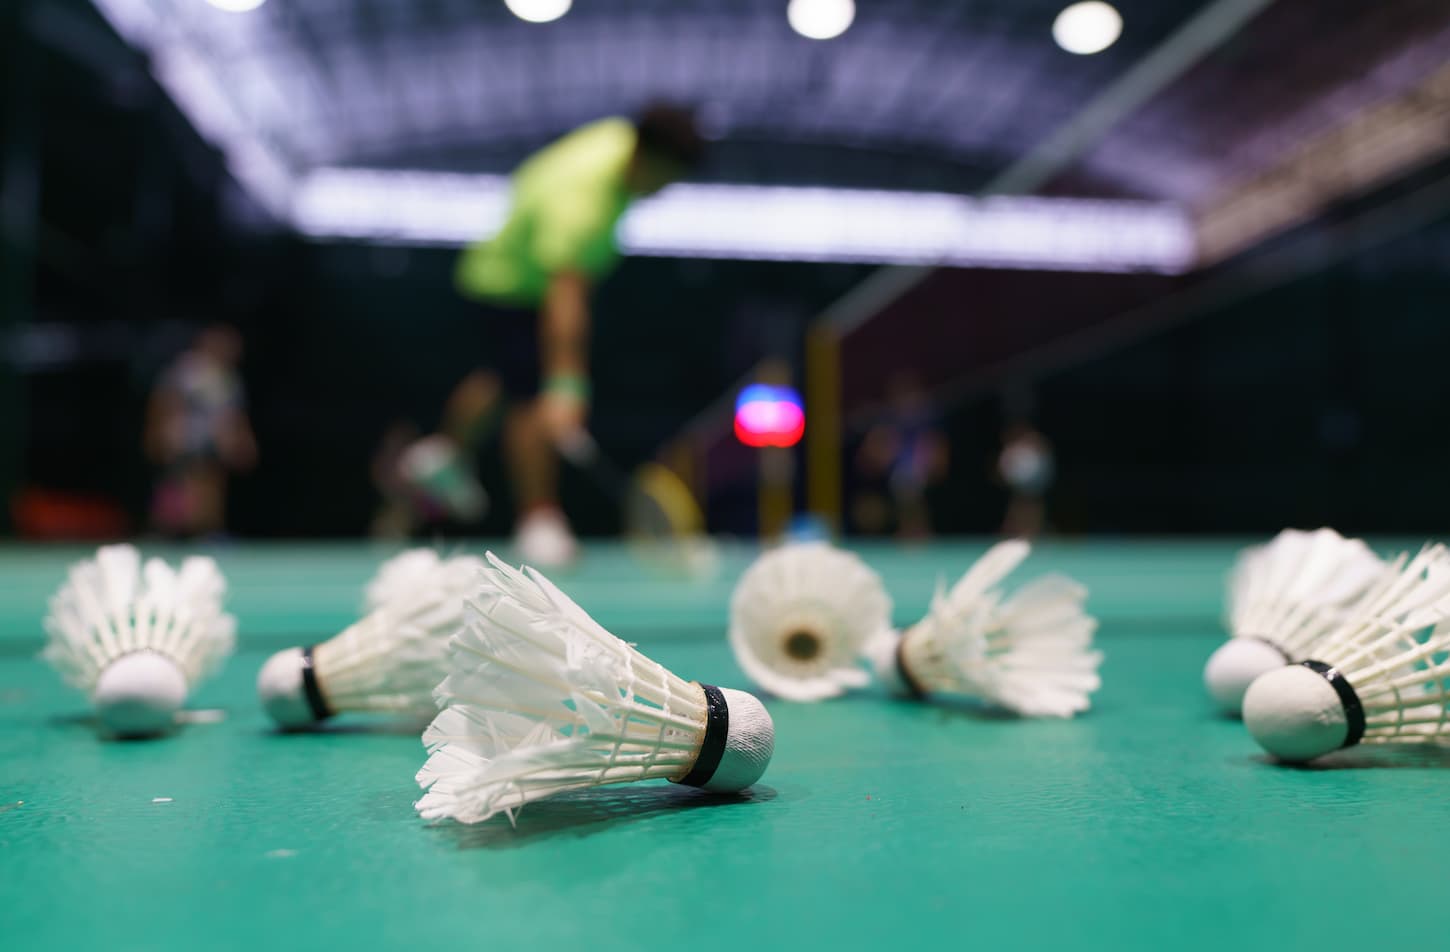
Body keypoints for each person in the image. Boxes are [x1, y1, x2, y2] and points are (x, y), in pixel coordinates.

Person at [398, 103, 705, 566]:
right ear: (649, 159)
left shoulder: (618, 138)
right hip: (515, 287)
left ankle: (441, 451)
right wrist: (567, 385)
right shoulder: (582, 202)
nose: (663, 190)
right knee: (532, 397)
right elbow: (567, 302)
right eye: (666, 178)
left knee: (504, 377)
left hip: (495, 271)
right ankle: (537, 519)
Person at [144, 324, 257, 538]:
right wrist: (159, 433)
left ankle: (208, 533)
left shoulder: (226, 376)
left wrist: (243, 439)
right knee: (176, 488)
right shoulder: (188, 370)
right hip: (184, 440)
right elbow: (164, 401)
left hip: (211, 442)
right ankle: (162, 534)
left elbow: (232, 412)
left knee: (211, 488)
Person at [997, 420, 1054, 538]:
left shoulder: (1037, 445)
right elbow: (1005, 468)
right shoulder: (1012, 450)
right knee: (1019, 509)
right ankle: (1012, 534)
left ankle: (1036, 533)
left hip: (1035, 486)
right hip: (1019, 487)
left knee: (1033, 509)